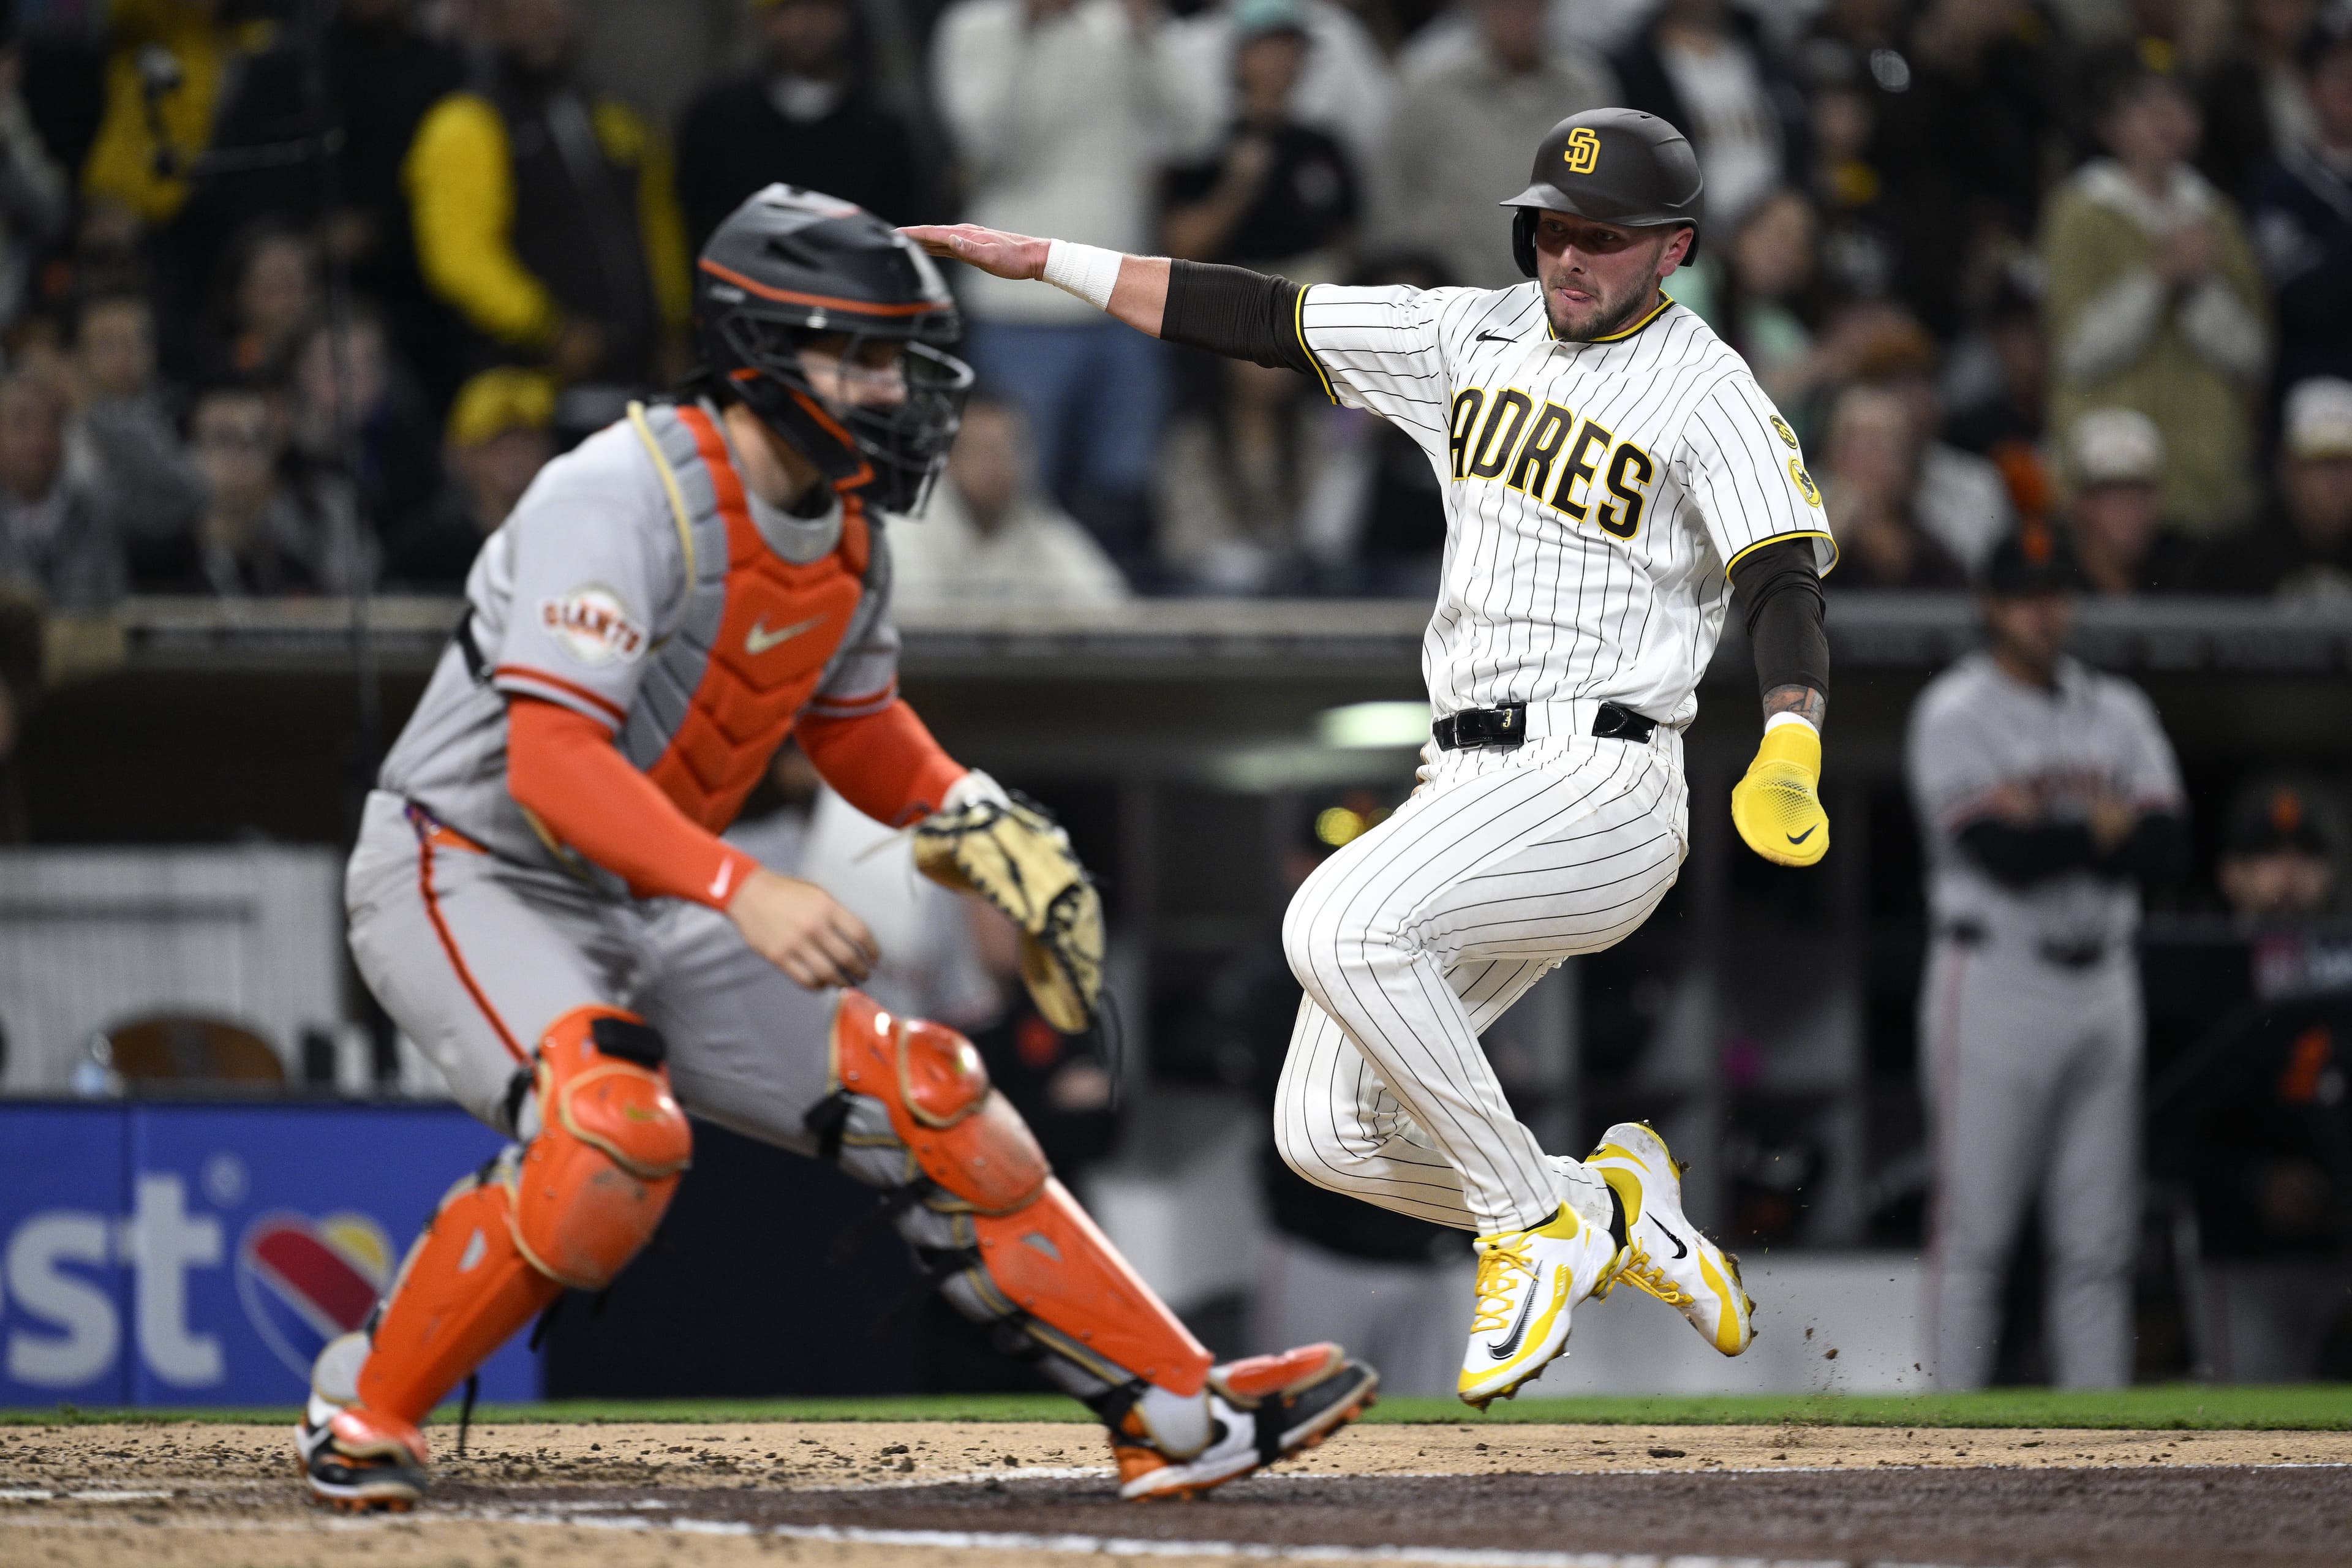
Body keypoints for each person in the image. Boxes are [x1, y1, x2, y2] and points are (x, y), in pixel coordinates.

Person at [295, 186, 1376, 1513]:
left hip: (647, 879)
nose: (890, 387)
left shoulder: (845, 522)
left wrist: (979, 818)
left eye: (898, 357)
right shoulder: (617, 490)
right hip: (464, 863)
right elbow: (552, 762)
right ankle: (365, 1406)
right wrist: (740, 886)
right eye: (858, 355)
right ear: (759, 346)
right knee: (608, 1136)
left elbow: (855, 724)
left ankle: (1177, 1409)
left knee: (932, 1095)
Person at [909, 105, 1833, 1406]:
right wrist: (1050, 260)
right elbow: (1259, 315)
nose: (1570, 259)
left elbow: (1785, 573)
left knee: (1335, 922)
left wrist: (1790, 733)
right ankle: (1607, 1209)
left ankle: (1531, 1223)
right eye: (1552, 229)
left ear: (1672, 247)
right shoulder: (1472, 332)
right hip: (1469, 782)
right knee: (1326, 1131)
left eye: (1604, 239)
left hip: (1602, 776)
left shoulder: (1707, 382)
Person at [1906, 524, 2187, 1389]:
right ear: (1992, 605)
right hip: (1996, 979)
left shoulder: (2120, 707)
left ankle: (2096, 1443)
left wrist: (2055, 825)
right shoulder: (1955, 710)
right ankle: (1946, 1433)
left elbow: (2169, 847)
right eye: (2026, 594)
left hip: (2105, 979)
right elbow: (2000, 852)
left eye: (2055, 591)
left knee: (2099, 1240)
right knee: (1978, 1234)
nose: (2044, 610)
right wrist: (2099, 829)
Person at [929, 0, 1220, 569]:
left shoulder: (1125, 27)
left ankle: (1111, 643)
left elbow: (1197, 135)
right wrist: (1031, 31)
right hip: (1017, 307)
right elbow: (985, 144)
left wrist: (1148, 36)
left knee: (1123, 493)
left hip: (1122, 303)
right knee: (1018, 491)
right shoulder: (977, 26)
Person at [402, 0, 690, 426]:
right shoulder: (466, 121)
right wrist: (548, 329)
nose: (543, 14)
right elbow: (459, 259)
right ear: (488, 18)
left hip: (642, 383)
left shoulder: (614, 110)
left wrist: (675, 324)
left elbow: (659, 228)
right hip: (529, 400)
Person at [2041, 59, 2267, 534]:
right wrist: (2157, 279)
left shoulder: (2218, 215)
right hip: (2107, 463)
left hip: (2205, 464)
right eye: (2146, 106)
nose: (2166, 119)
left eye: (2179, 106)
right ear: (2111, 126)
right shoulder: (2080, 213)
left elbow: (2252, 351)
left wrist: (2200, 285)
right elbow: (2075, 351)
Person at [1379, 0, 1617, 290]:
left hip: (1555, 291)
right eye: (1502, 5)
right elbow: (1389, 185)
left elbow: (1609, 190)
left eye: (1529, 6)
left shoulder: (1586, 87)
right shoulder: (1429, 84)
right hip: (1449, 296)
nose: (1516, 16)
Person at [676, 0, 922, 251]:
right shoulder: (718, 119)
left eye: (821, 8)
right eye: (789, 10)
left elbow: (900, 235)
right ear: (766, 22)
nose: (806, 25)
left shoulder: (881, 130)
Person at [1162, 0, 1359, 279]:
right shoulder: (1206, 147)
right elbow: (1179, 247)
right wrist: (1237, 186)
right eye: (1270, 48)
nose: (1284, 60)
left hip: (1311, 297)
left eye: (1292, 48)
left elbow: (1347, 242)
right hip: (1235, 297)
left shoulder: (1322, 147)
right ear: (1241, 57)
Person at [892, 391, 1128, 609]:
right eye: (985, 451)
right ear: (946, 460)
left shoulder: (1036, 520)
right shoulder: (905, 524)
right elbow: (919, 633)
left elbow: (1112, 613)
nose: (999, 465)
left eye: (1010, 449)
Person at [140, 379, 369, 596]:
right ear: (186, 455)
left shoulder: (294, 566)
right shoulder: (154, 566)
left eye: (255, 441)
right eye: (223, 440)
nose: (241, 459)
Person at [2248, 18, 2352, 415]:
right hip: (2315, 394)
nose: (2350, 87)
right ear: (2308, 88)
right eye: (2338, 75)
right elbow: (2298, 301)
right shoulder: (2279, 185)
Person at [380, 367, 557, 589]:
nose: (515, 460)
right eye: (496, 446)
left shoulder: (568, 540)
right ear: (460, 456)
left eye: (527, 443)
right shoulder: (424, 553)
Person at [2207, 375, 2352, 600]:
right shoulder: (2239, 558)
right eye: (2323, 464)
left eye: (2347, 464)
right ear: (2287, 467)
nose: (2339, 481)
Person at [1815, 382, 1967, 590]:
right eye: (1853, 441)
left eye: (1879, 444)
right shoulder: (1798, 536)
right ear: (1831, 455)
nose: (1867, 460)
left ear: (1905, 463)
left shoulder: (1932, 548)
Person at [0, 369, 123, 610]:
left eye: (53, 421)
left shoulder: (96, 511)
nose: (39, 437)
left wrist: (95, 409)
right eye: (21, 422)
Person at [2060, 407, 2203, 594]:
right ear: (2080, 503)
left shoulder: (2185, 574)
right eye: (2116, 498)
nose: (2131, 512)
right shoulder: (2053, 585)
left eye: (2142, 495)